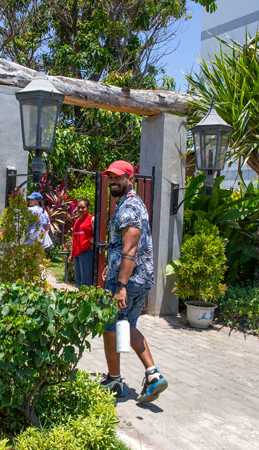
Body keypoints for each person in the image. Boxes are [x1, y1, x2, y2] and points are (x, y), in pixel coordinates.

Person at [100, 160, 168, 403]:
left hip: (129, 280)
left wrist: (121, 285)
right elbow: (123, 248)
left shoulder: (129, 207)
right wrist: (114, 264)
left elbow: (131, 247)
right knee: (125, 326)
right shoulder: (132, 204)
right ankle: (153, 375)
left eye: (118, 177)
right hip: (136, 277)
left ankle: (115, 380)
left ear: (130, 178)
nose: (113, 181)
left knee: (110, 327)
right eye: (110, 177)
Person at [67, 199, 94, 288]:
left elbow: (97, 235)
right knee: (78, 281)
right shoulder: (77, 221)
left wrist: (91, 245)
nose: (81, 210)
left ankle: (87, 300)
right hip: (76, 254)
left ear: (88, 208)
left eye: (83, 208)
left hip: (86, 253)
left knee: (86, 282)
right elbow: (74, 238)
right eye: (79, 208)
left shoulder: (92, 219)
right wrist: (71, 254)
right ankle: (81, 299)